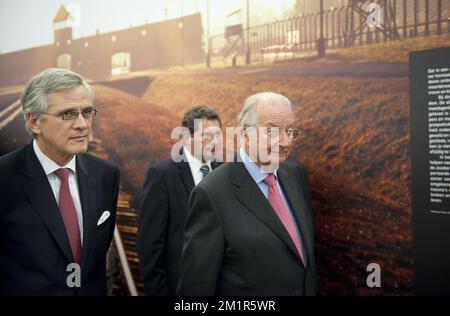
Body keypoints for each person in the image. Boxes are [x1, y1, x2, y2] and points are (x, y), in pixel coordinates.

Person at [177, 92, 316, 296]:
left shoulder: (294, 175)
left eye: (289, 131)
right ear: (244, 133)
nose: (285, 142)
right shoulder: (211, 194)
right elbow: (196, 290)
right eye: (272, 131)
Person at [0, 68, 120, 295]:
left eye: (87, 112)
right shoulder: (4, 178)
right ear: (35, 121)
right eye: (68, 114)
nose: (82, 124)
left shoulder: (105, 175)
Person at [137, 105, 223, 296]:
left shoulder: (224, 172)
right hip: (178, 288)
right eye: (207, 136)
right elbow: (150, 244)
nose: (215, 142)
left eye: (218, 135)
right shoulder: (161, 175)